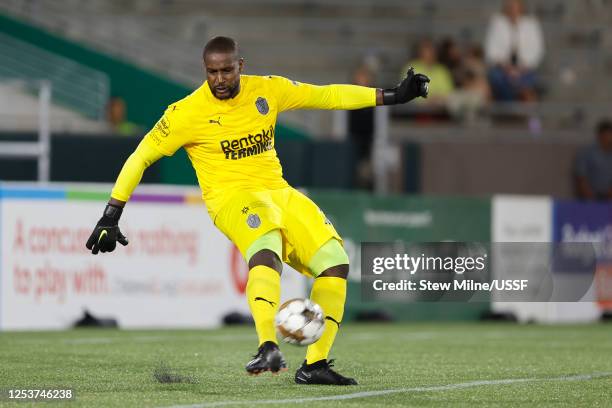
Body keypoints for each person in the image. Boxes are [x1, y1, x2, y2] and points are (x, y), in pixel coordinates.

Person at [85, 36, 429, 385]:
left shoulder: (267, 90)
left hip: (278, 191)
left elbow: (326, 95)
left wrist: (391, 96)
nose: (219, 79)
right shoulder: (185, 113)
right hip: (231, 198)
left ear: (241, 66)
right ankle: (267, 345)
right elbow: (140, 157)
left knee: (334, 261)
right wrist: (111, 213)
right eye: (211, 72)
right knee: (266, 253)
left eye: (226, 70)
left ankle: (314, 365)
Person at [484, 0, 544, 101]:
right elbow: (491, 52)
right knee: (497, 78)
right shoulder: (497, 23)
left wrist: (521, 68)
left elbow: (537, 51)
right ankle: (511, 108)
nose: (513, 9)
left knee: (526, 81)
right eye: (510, 6)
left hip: (525, 70)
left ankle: (517, 108)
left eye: (515, 6)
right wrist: (507, 68)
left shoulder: (531, 24)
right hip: (502, 70)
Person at [574, 120, 612, 201]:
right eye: (608, 135)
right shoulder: (586, 153)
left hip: (609, 199)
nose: (609, 138)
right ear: (600, 135)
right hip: (590, 197)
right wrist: (589, 196)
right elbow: (581, 176)